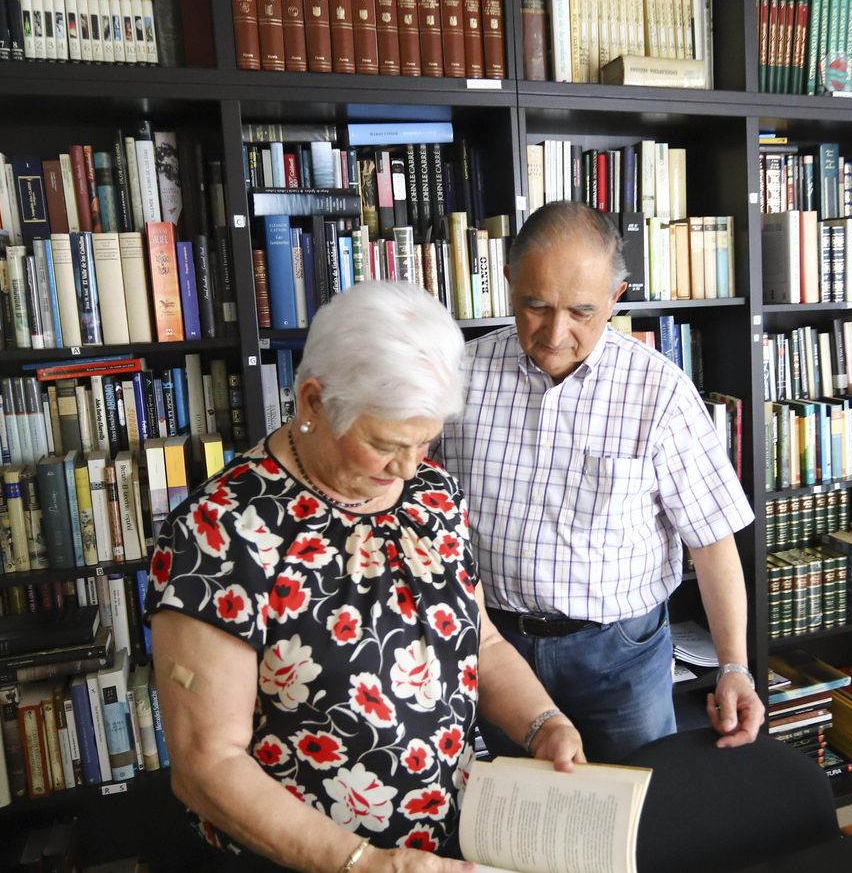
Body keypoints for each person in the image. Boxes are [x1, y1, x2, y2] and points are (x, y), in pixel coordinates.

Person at [146, 281, 584, 873]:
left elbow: (481, 641)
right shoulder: (221, 532)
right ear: (313, 402)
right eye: (385, 444)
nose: (408, 467)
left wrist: (543, 725)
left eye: (425, 441)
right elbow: (207, 767)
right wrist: (365, 862)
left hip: (445, 849)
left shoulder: (432, 495)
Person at [436, 201, 764, 764]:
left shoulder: (659, 391)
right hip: (490, 645)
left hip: (620, 658)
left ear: (616, 298)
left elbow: (711, 542)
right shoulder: (457, 377)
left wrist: (734, 666)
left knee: (627, 823)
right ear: (509, 281)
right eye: (535, 305)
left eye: (582, 312)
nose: (555, 333)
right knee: (505, 822)